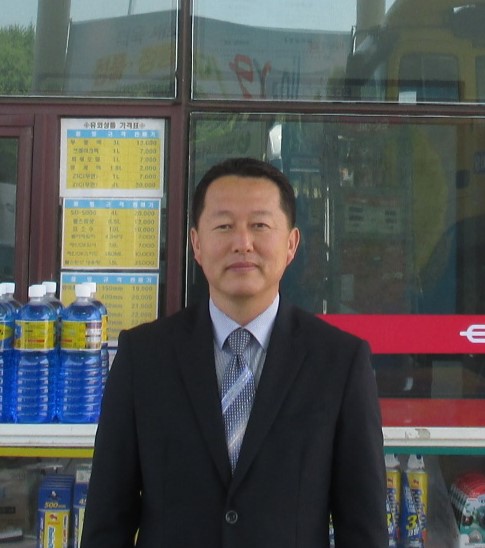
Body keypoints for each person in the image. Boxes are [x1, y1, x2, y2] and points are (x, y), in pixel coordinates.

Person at [81, 157, 388, 547]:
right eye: (224, 226)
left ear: (291, 244)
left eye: (260, 225)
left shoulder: (340, 363)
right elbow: (107, 520)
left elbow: (363, 528)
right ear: (196, 243)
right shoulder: (142, 358)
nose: (242, 243)